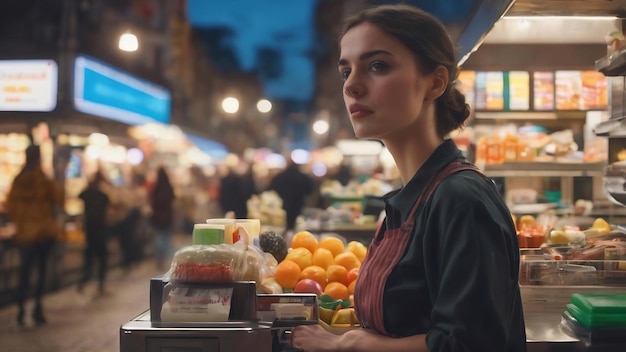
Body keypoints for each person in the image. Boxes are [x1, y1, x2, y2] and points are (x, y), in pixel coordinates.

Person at [291, 5, 526, 352]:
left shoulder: (461, 199)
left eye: (377, 66)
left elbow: (471, 344)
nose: (352, 86)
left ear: (435, 82)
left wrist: (353, 345)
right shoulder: (413, 197)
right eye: (345, 72)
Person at [6, 145, 64, 326]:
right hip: (43, 232)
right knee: (41, 272)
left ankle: (21, 310)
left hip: (24, 233)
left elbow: (10, 206)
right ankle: (38, 308)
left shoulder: (18, 180)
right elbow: (59, 198)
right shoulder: (43, 179)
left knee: (24, 272)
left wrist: (21, 222)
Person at [77, 171, 111, 295]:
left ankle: (83, 282)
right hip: (101, 229)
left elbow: (79, 196)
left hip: (89, 230)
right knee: (102, 258)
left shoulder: (86, 193)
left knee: (89, 258)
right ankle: (100, 285)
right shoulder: (103, 195)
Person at [268, 159, 314, 232]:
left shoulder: (279, 176)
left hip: (281, 207)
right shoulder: (303, 177)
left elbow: (271, 190)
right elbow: (310, 190)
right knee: (296, 226)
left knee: (282, 227)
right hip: (298, 206)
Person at [149, 167, 176, 269]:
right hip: (167, 217)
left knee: (158, 238)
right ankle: (163, 258)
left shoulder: (155, 189)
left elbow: (152, 203)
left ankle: (159, 258)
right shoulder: (169, 188)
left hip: (157, 218)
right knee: (165, 238)